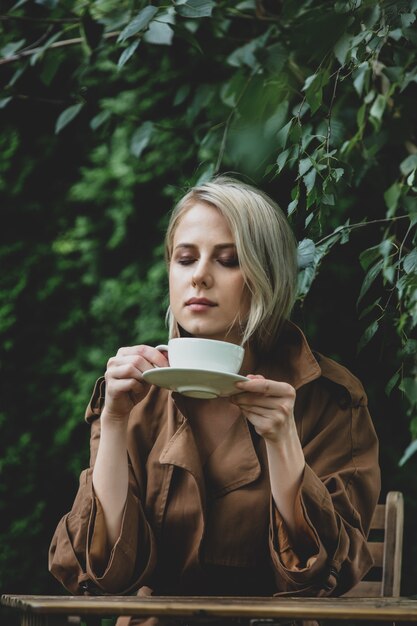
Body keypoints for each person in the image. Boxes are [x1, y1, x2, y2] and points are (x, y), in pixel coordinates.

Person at [49, 175, 380, 617]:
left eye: (227, 260)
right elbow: (102, 573)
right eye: (185, 259)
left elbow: (317, 578)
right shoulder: (135, 393)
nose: (200, 277)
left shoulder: (329, 397)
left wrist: (283, 442)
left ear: (268, 275)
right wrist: (112, 423)